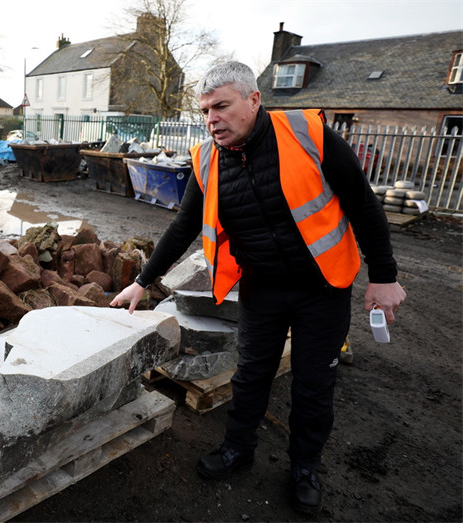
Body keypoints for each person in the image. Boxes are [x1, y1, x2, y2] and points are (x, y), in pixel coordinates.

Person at [110, 61, 406, 515]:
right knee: (250, 375)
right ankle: (236, 448)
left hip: (321, 288)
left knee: (313, 382)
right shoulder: (206, 158)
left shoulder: (308, 134)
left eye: (222, 107)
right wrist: (141, 281)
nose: (212, 119)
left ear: (253, 100)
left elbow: (363, 206)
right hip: (261, 289)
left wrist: (384, 277)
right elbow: (183, 226)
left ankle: (305, 466)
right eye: (206, 110)